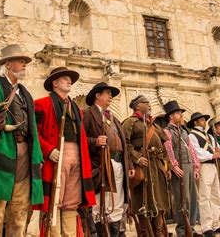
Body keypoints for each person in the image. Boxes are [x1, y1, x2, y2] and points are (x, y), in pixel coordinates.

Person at [0, 44, 44, 235]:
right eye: (21, 61)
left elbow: (33, 130)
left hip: (24, 156)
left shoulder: (25, 93)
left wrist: (37, 157)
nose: (24, 65)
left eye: (25, 62)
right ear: (8, 64)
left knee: (19, 213)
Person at [34, 67, 96, 236]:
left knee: (71, 202)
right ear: (55, 83)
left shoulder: (75, 107)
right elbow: (34, 133)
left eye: (70, 79)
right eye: (65, 79)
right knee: (54, 200)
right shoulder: (41, 104)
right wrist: (48, 150)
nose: (69, 81)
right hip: (57, 154)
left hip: (77, 154)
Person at [83, 82, 134, 236]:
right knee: (100, 202)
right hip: (101, 164)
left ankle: (116, 233)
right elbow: (81, 139)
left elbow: (124, 144)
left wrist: (129, 164)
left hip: (118, 163)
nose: (111, 96)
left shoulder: (114, 118)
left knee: (117, 201)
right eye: (107, 92)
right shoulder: (88, 114)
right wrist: (95, 141)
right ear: (97, 96)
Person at [122, 95, 171, 236]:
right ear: (138, 106)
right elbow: (125, 143)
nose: (149, 105)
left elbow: (164, 147)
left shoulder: (154, 125)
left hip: (157, 167)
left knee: (159, 203)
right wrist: (137, 158)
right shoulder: (130, 122)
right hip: (143, 168)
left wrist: (165, 165)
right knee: (144, 203)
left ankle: (159, 233)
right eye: (146, 102)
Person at [162, 101, 201, 237]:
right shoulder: (167, 131)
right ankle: (183, 230)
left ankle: (192, 228)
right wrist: (174, 166)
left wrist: (196, 167)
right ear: (171, 116)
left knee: (192, 199)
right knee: (182, 199)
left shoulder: (184, 130)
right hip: (180, 167)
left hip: (189, 166)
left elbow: (191, 149)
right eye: (178, 113)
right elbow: (168, 150)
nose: (181, 115)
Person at [188, 112, 220, 236]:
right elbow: (196, 152)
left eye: (204, 120)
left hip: (214, 166)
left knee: (216, 196)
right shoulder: (192, 135)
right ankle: (206, 227)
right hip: (204, 166)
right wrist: (211, 155)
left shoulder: (210, 136)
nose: (204, 122)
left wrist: (218, 153)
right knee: (204, 197)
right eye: (202, 120)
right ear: (195, 122)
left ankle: (216, 224)